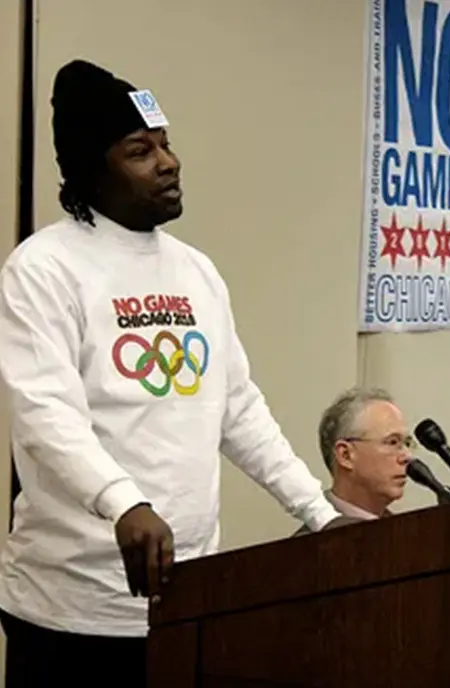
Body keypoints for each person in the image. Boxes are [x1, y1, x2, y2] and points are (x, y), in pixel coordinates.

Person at [0, 59, 343, 686]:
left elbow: (236, 407)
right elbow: (46, 415)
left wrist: (317, 509)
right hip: (72, 613)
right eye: (139, 149)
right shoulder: (43, 268)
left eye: (165, 143)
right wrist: (124, 502)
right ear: (90, 169)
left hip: (190, 601)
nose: (168, 161)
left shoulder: (196, 272)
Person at [294, 388, 412, 533]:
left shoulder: (406, 533)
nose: (407, 456)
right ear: (345, 455)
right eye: (392, 442)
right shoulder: (311, 544)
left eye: (407, 443)